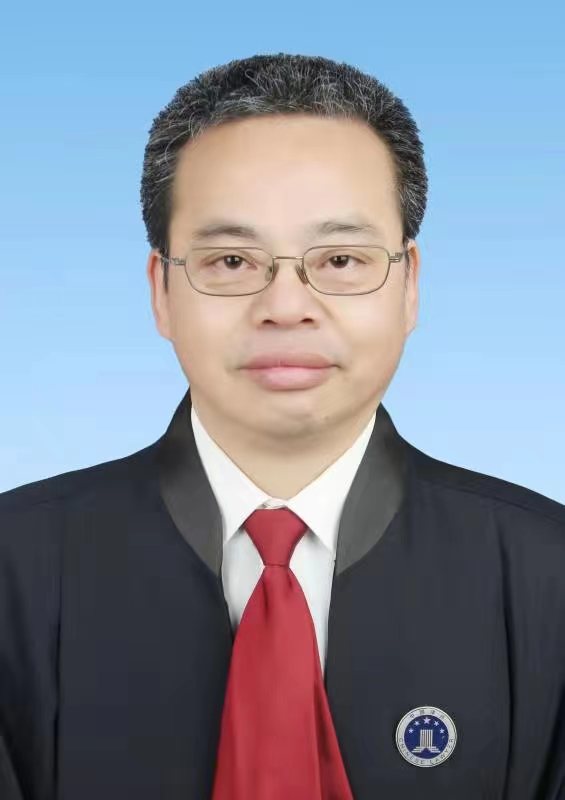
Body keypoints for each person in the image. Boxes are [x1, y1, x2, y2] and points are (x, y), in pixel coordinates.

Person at [0, 52, 564, 800]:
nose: (286, 307)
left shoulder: (546, 576)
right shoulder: (14, 572)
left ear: (409, 286)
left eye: (341, 259)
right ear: (161, 290)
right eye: (233, 260)